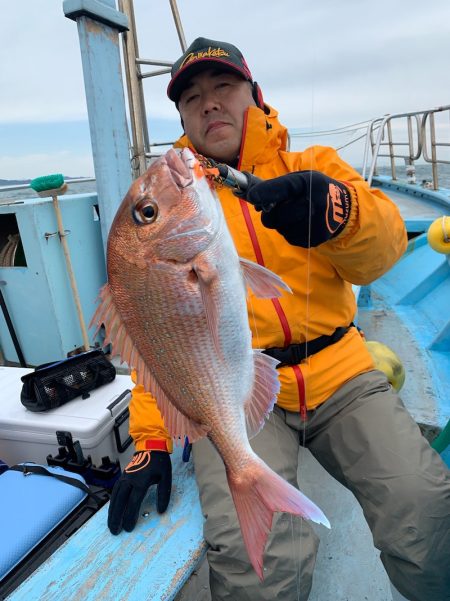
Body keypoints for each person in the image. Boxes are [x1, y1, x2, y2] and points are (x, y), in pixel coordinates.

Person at [107, 37, 450, 601]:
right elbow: (160, 337)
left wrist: (339, 215)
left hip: (341, 372)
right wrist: (151, 438)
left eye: (224, 87)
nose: (209, 103)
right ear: (183, 116)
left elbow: (383, 252)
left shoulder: (314, 166)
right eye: (192, 98)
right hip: (238, 395)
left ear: (254, 95)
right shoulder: (176, 198)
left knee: (424, 502)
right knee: (257, 562)